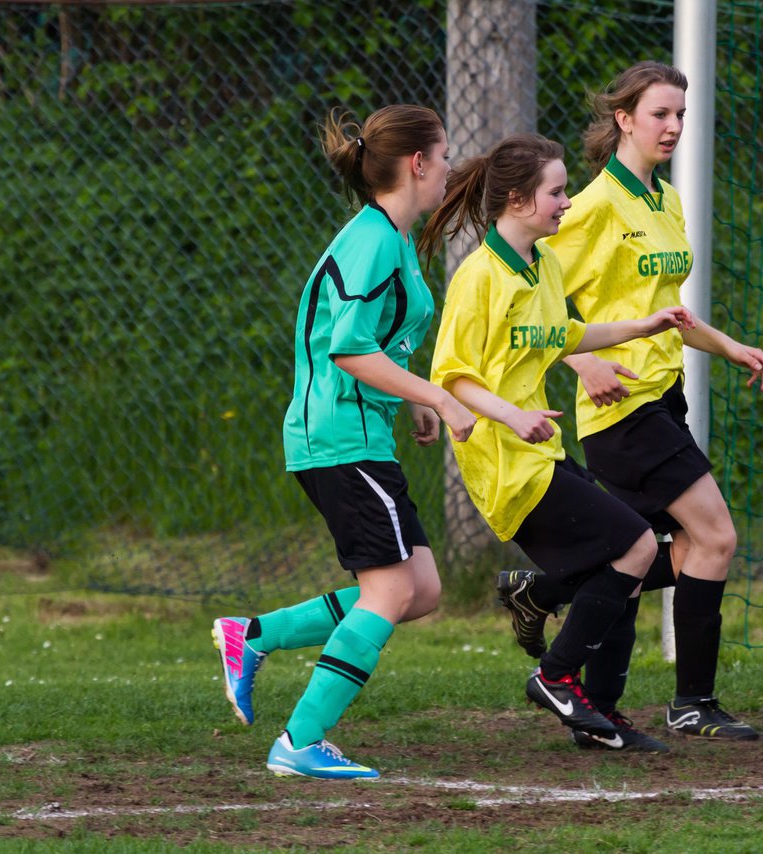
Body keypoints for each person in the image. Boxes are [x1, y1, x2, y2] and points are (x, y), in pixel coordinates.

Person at [495, 61, 763, 746]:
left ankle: (552, 591)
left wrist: (728, 345)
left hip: (662, 398)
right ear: (623, 119)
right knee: (714, 537)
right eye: (660, 114)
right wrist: (583, 360)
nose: (674, 126)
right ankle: (692, 702)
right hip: (624, 410)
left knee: (641, 554)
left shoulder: (664, 201)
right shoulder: (587, 209)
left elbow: (667, 311)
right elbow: (530, 290)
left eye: (681, 114)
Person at [211, 104, 477, 780]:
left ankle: (256, 635)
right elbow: (349, 348)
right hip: (340, 440)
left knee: (419, 589)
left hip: (358, 436)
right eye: (444, 154)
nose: (449, 166)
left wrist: (409, 393)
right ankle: (301, 740)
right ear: (418, 163)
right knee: (387, 593)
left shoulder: (390, 237)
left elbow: (373, 347)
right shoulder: (372, 242)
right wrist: (437, 398)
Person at [420, 133, 695, 746]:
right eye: (557, 190)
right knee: (635, 545)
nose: (567, 202)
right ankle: (554, 676)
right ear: (518, 201)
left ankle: (594, 709)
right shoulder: (480, 278)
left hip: (539, 452)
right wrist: (512, 416)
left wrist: (640, 324)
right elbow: (452, 378)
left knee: (627, 560)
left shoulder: (541, 263)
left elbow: (563, 334)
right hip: (503, 461)